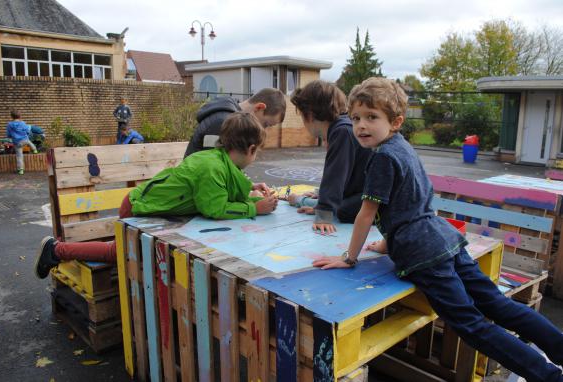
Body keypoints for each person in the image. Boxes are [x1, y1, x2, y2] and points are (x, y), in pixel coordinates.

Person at [312, 77, 563, 382]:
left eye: (371, 117)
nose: (361, 126)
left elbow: (366, 214)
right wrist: (388, 242)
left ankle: (549, 376)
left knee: (471, 324)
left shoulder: (381, 159)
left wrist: (349, 257)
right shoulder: (402, 147)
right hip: (444, 239)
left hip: (424, 254)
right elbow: (410, 203)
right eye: (355, 118)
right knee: (497, 304)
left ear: (396, 122)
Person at [35, 112, 278, 279]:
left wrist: (250, 191)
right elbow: (214, 209)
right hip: (138, 208)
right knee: (118, 253)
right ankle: (56, 251)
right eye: (258, 154)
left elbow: (224, 191)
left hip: (156, 212)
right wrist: (255, 208)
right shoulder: (211, 167)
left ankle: (59, 249)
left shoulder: (220, 162)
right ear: (251, 149)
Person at [289, 80, 372, 233]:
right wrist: (322, 198)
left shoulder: (341, 131)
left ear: (309, 115)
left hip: (377, 200)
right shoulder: (344, 127)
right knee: (341, 206)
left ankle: (307, 202)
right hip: (366, 193)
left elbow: (335, 175)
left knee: (343, 210)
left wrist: (324, 213)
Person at [184, 88, 286, 158]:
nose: (263, 129)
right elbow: (211, 171)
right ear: (259, 107)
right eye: (266, 124)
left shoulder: (232, 119)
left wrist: (248, 185)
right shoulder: (221, 122)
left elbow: (226, 167)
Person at [6, 110, 38, 175]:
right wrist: (27, 133)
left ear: (11, 117)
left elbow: (8, 134)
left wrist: (10, 137)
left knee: (19, 156)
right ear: (20, 116)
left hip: (17, 142)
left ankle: (21, 170)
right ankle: (34, 150)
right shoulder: (22, 123)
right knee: (29, 142)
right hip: (24, 140)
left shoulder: (9, 124)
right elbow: (27, 130)